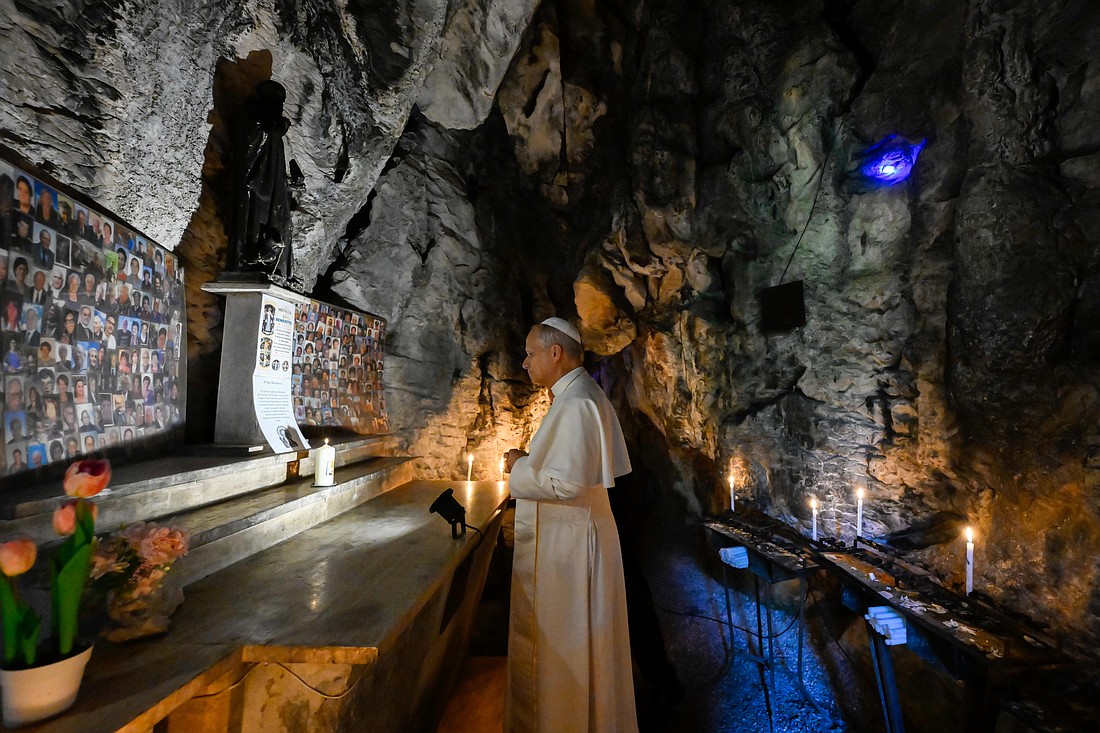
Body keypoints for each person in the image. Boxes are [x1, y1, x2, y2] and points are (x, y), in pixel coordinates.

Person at [502, 318, 637, 733]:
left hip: (574, 550)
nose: (525, 363)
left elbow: (566, 482)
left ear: (555, 352)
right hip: (575, 540)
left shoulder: (576, 401)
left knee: (573, 648)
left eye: (530, 353)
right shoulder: (575, 395)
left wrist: (517, 467)